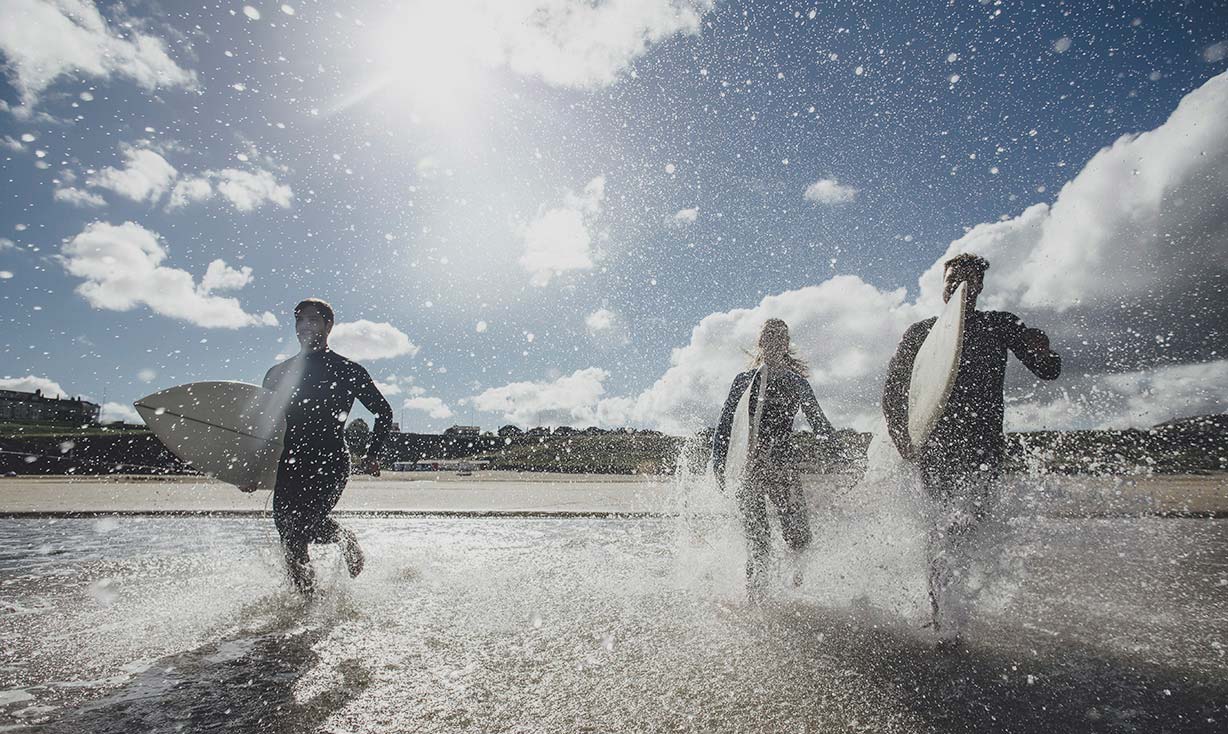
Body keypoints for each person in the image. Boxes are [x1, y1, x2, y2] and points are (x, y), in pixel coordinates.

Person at [881, 254, 1061, 643]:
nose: (957, 284)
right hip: (935, 448)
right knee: (938, 531)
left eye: (966, 278)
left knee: (966, 529)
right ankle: (942, 615)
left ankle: (953, 606)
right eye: (950, 278)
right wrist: (902, 440)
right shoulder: (922, 333)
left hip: (983, 451)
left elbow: (1047, 370)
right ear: (941, 285)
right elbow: (894, 390)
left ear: (978, 285)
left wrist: (1044, 352)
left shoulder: (1000, 325)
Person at [254, 298, 394, 593]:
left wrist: (372, 455)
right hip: (290, 462)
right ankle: (305, 605)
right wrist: (249, 471)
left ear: (329, 326)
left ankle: (344, 537)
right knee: (289, 539)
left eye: (313, 320)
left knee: (307, 525)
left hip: (330, 461)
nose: (305, 326)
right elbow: (263, 428)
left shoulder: (346, 369)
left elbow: (383, 411)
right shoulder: (278, 373)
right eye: (300, 320)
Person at [712, 319, 839, 599]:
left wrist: (841, 454)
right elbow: (725, 423)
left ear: (786, 345)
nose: (773, 342)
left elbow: (819, 422)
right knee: (758, 541)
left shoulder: (797, 383)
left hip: (783, 467)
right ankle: (757, 600)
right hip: (750, 468)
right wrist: (719, 463)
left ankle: (794, 591)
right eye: (768, 337)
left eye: (780, 338)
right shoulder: (744, 381)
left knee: (799, 537)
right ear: (760, 342)